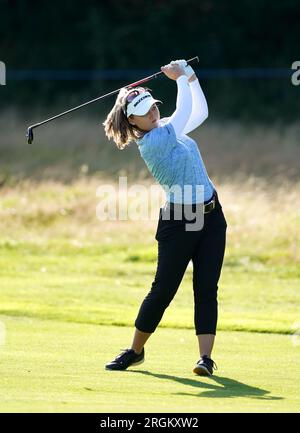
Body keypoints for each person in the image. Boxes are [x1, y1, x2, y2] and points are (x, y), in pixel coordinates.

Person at [102, 59, 227, 376]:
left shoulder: (165, 127)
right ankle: (135, 351)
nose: (153, 112)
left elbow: (199, 113)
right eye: (145, 111)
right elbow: (184, 112)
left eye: (153, 107)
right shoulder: (153, 141)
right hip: (179, 222)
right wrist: (180, 77)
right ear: (133, 121)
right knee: (163, 290)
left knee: (206, 288)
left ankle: (205, 359)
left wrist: (191, 76)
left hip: (212, 218)